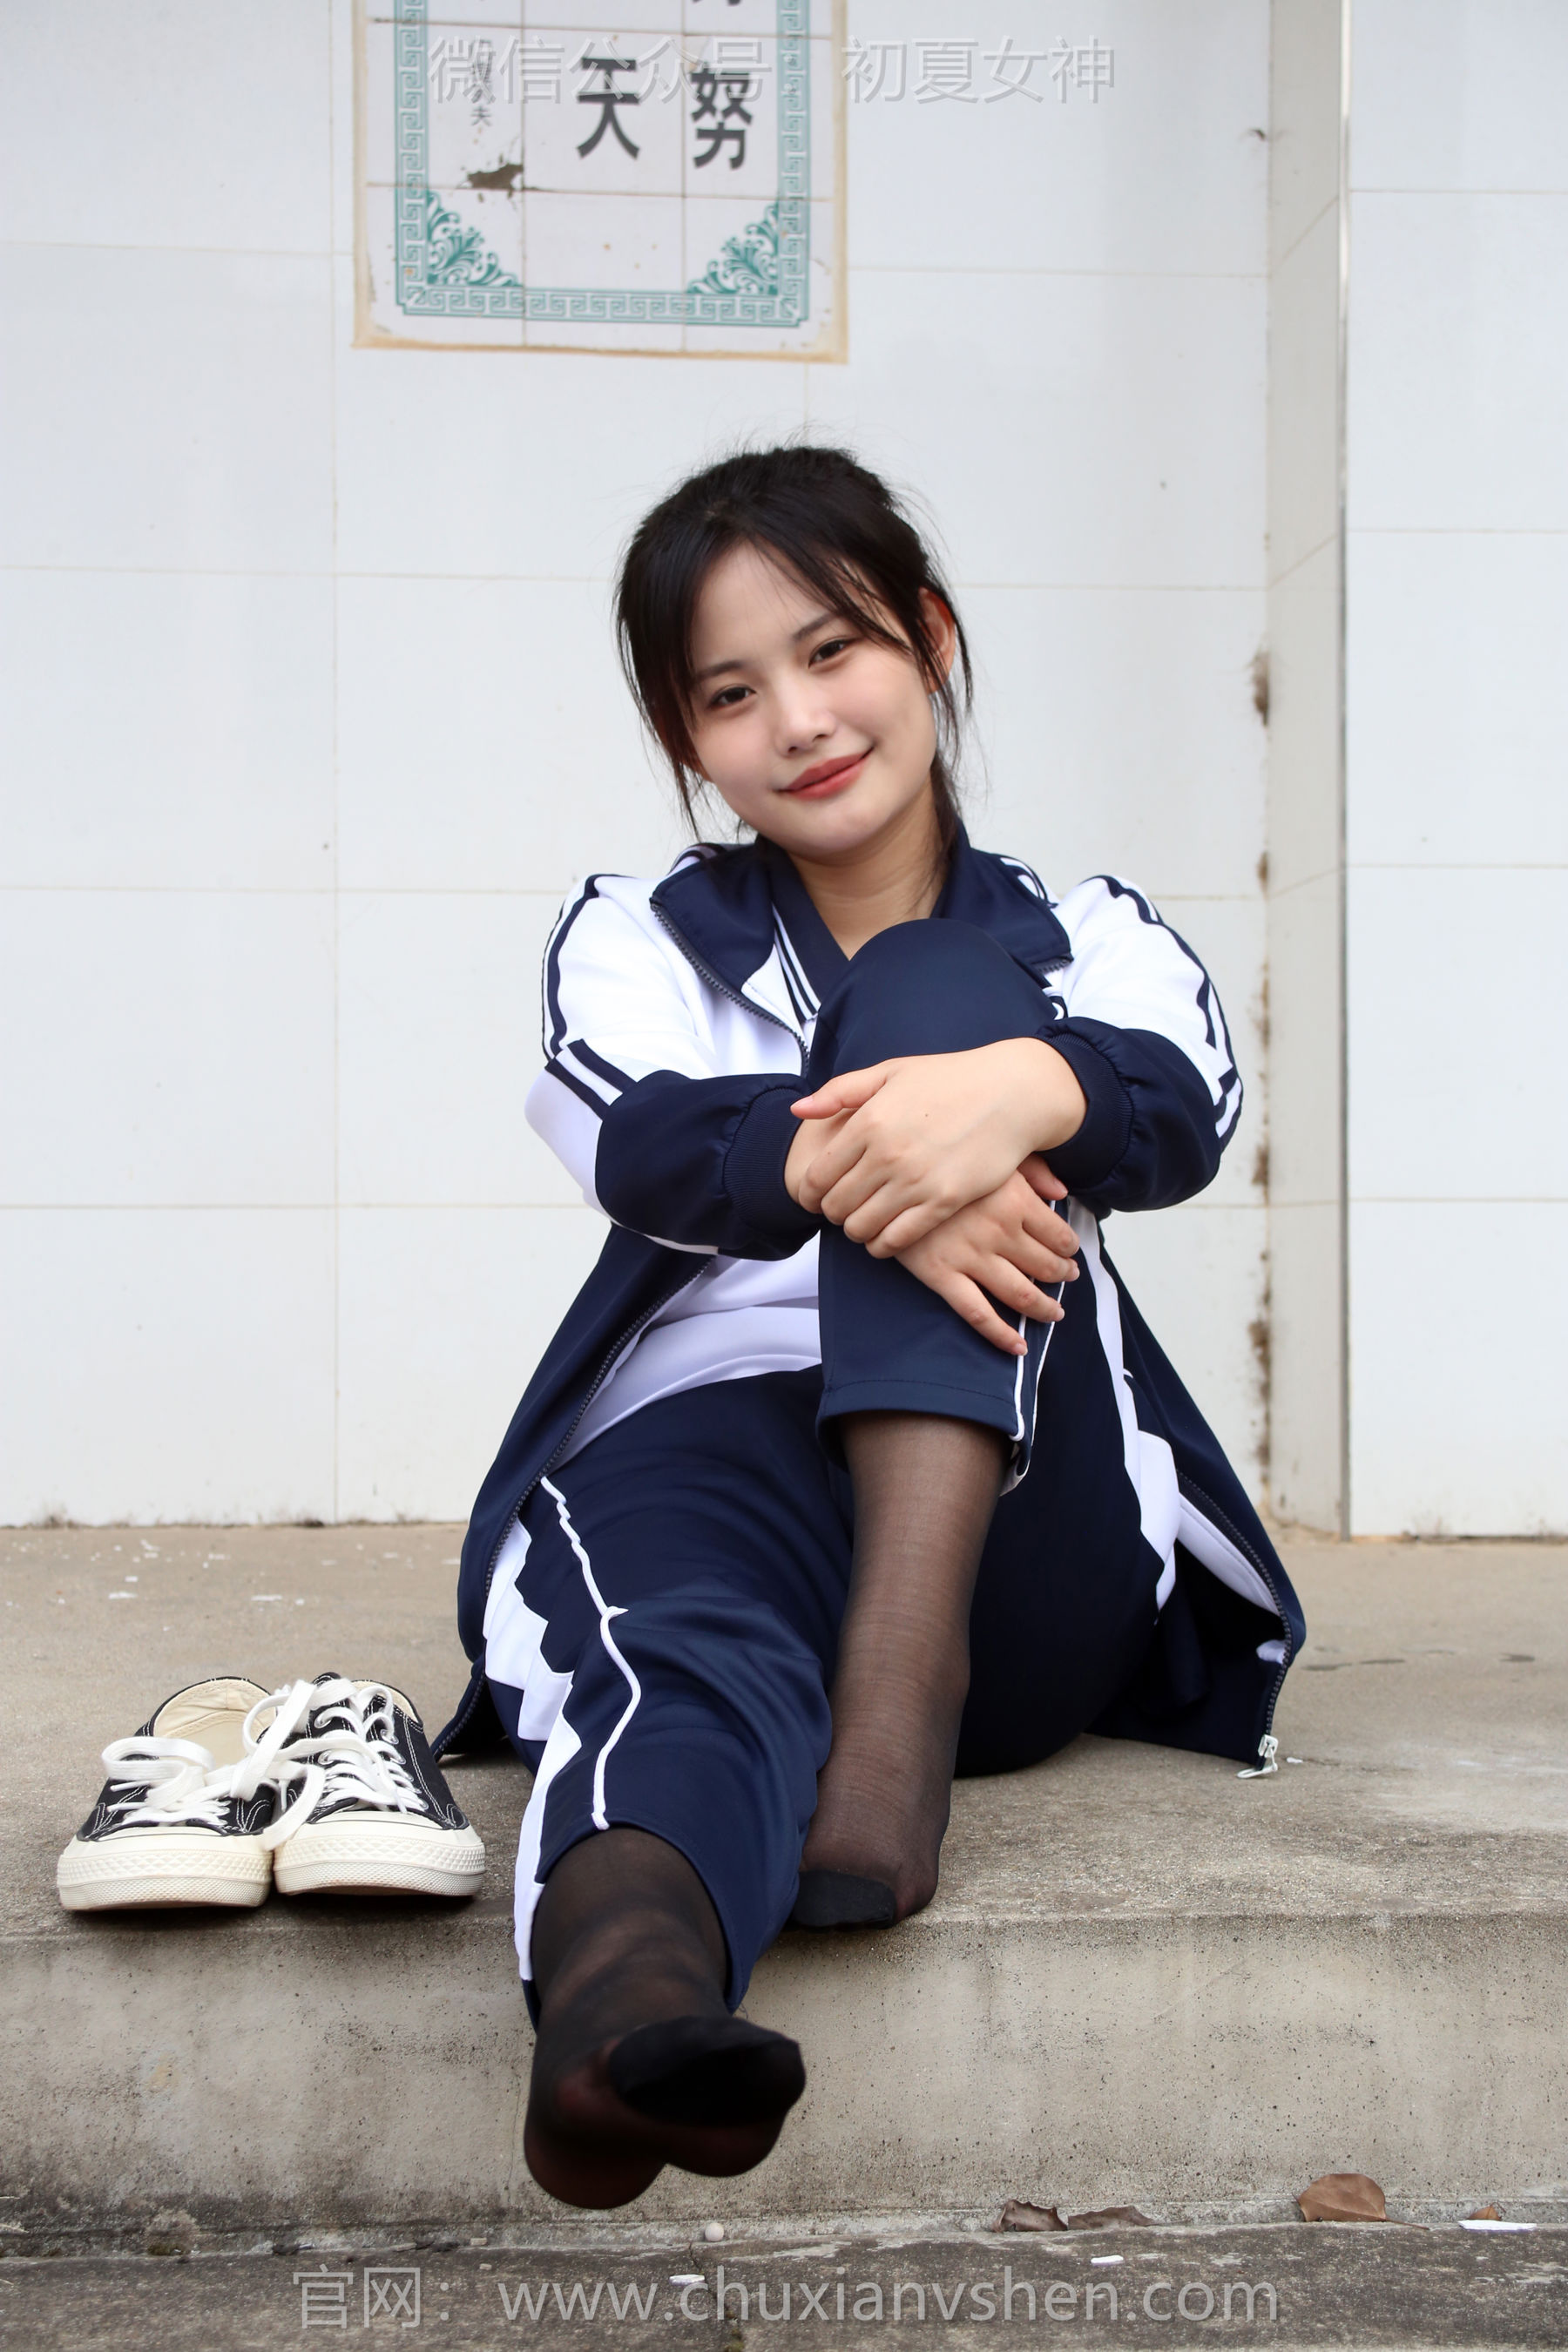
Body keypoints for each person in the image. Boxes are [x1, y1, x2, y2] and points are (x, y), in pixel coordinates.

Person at [435, 445, 1303, 2210]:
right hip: (719, 1430)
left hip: (1028, 1542)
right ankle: (625, 2022)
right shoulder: (636, 933)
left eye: (835, 651)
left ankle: (900, 1690)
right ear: (688, 739)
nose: (802, 721)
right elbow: (633, 1136)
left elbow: (1184, 1102)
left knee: (930, 985)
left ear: (931, 638)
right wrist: (909, 1157)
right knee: (674, 1651)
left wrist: (1022, 1085)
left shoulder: (1084, 933)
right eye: (731, 692)